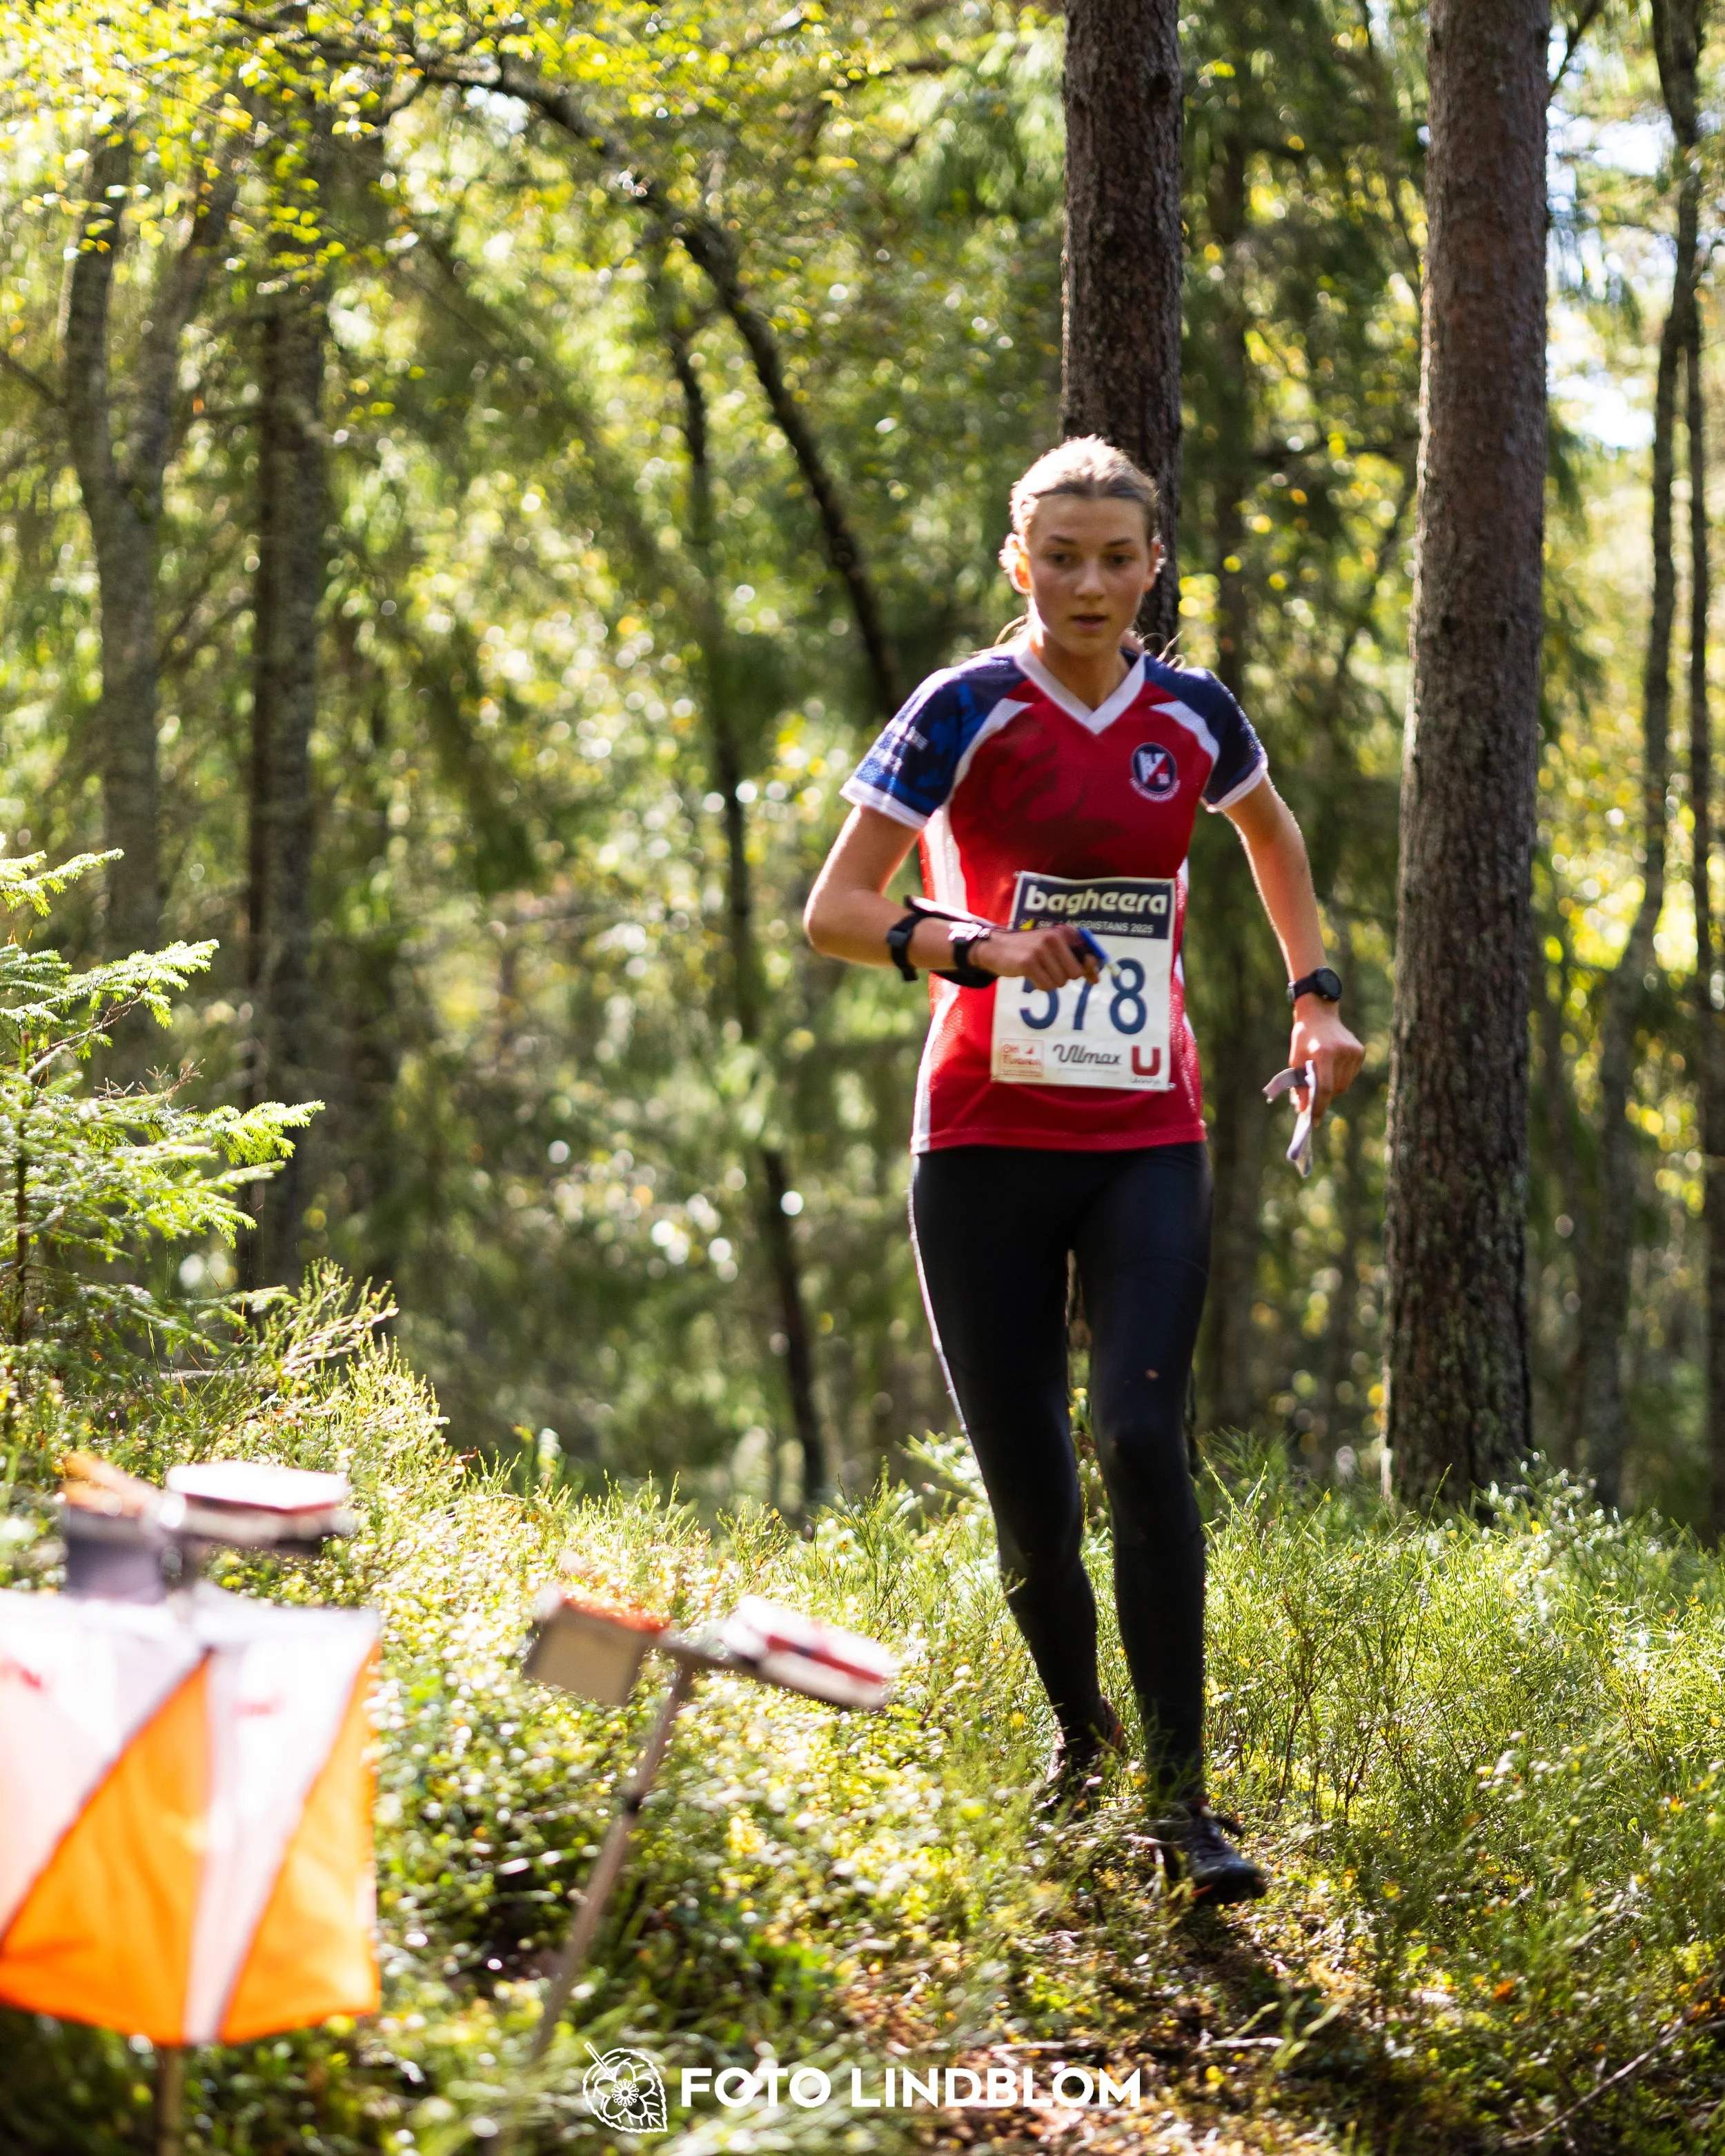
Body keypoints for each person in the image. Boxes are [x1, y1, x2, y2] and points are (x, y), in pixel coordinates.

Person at [803, 437, 1363, 1901]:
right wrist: (973, 945)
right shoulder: (964, 708)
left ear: (1151, 562)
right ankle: (1077, 1733)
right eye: (1061, 556)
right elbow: (834, 907)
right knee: (1029, 1489)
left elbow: (1269, 832)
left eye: (1116, 556)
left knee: (1136, 1430)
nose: (1090, 582)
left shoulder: (1191, 712)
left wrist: (1317, 995)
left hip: (1144, 1130)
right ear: (1017, 564)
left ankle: (1182, 1801)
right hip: (980, 1134)